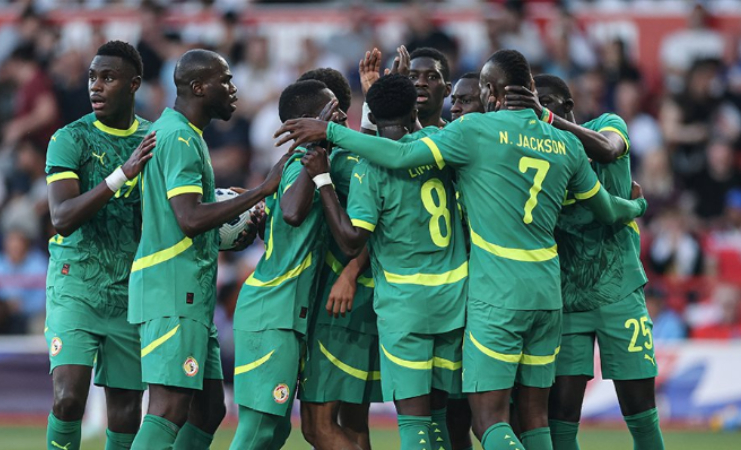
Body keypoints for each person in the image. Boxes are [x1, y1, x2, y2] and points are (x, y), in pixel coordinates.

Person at [275, 49, 648, 450]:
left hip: (471, 297)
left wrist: (329, 137)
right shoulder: (563, 144)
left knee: (469, 421)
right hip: (528, 293)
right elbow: (608, 208)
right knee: (531, 417)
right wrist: (638, 206)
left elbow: (396, 157)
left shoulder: (468, 137)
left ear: (490, 91)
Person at [128, 49, 288, 450]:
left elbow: (191, 217)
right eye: (226, 81)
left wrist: (232, 217)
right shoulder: (180, 137)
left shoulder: (181, 133)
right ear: (198, 87)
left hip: (187, 290)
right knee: (167, 408)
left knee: (210, 408)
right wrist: (261, 190)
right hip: (171, 287)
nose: (234, 90)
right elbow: (190, 217)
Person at [302, 73, 467, 450]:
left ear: (371, 113)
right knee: (440, 413)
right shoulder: (439, 144)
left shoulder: (368, 169)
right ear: (414, 111)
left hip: (405, 306)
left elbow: (351, 239)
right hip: (455, 298)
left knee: (413, 422)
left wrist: (324, 181)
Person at [504, 73, 665, 450]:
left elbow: (609, 150)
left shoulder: (608, 124)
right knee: (561, 418)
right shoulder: (531, 156)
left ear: (567, 107)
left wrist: (544, 117)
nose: (535, 112)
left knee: (641, 412)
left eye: (544, 102)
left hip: (619, 292)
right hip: (566, 298)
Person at [43, 41, 156, 450]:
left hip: (130, 290)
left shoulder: (153, 141)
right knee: (69, 396)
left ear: (133, 84)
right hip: (76, 285)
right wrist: (121, 175)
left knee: (126, 410)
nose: (96, 86)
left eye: (107, 77)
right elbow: (63, 217)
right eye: (92, 77)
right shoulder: (68, 139)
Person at [228, 79, 342, 450]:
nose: (338, 116)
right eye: (331, 110)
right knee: (259, 429)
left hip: (284, 311)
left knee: (275, 431)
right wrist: (316, 143)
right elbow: (292, 212)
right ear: (311, 119)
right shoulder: (301, 164)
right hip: (271, 311)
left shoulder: (298, 163)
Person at [295, 68, 382, 450]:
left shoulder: (342, 164)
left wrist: (350, 270)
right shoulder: (356, 156)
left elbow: (376, 224)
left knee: (317, 427)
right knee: (354, 422)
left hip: (340, 305)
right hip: (353, 302)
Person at [447, 70, 484, 450]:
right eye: (453, 101)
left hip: (491, 300)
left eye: (465, 100)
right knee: (454, 416)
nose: (455, 108)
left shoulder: (495, 156)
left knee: (495, 417)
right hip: (455, 302)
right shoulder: (445, 148)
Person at [409, 47, 452, 129]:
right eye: (412, 77)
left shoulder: (456, 138)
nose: (421, 83)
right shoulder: (384, 135)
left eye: (432, 77)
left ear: (447, 89)